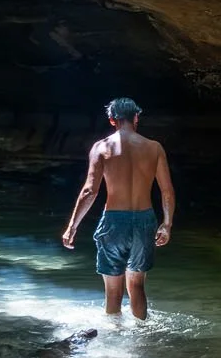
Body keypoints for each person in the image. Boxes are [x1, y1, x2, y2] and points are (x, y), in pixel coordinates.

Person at [60, 97, 175, 319]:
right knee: (137, 286)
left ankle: (113, 347)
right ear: (136, 118)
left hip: (114, 221)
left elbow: (89, 191)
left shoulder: (102, 147)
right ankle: (142, 338)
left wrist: (72, 226)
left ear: (112, 120)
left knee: (113, 291)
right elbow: (167, 191)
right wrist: (167, 224)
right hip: (145, 220)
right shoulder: (154, 147)